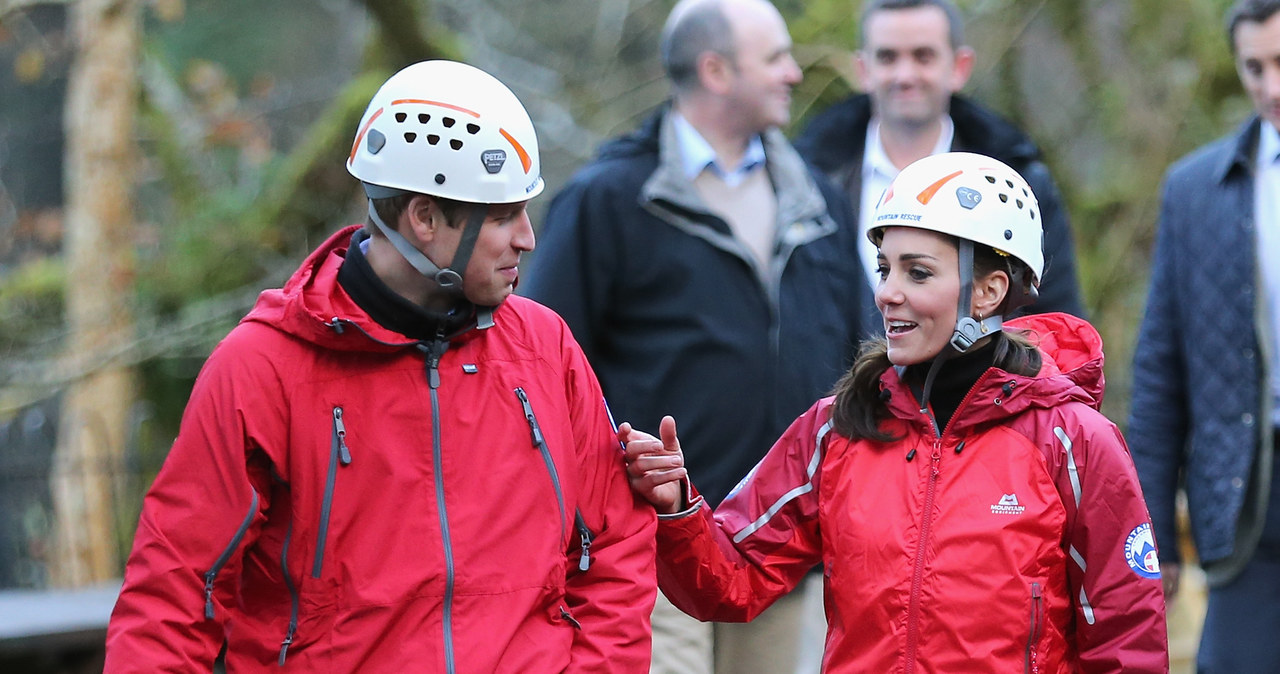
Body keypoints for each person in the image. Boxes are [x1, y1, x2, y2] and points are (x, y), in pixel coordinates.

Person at [103, 60, 657, 673]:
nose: (528, 237)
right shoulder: (261, 367)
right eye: (502, 215)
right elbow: (174, 593)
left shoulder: (544, 345)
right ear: (422, 217)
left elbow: (615, 546)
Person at [623, 152, 1169, 672]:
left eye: (918, 273)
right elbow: (730, 582)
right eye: (885, 269)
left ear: (989, 291)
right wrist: (677, 509)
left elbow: (1128, 640)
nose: (888, 293)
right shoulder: (837, 428)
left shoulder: (1072, 440)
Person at [520, 0, 869, 670]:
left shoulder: (818, 201)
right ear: (715, 70)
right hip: (646, 551)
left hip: (779, 552)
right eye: (775, 58)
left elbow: (858, 358)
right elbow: (542, 368)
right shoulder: (608, 199)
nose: (795, 73)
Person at [1127, 1, 1280, 671]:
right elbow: (1161, 373)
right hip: (1245, 501)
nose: (1271, 87)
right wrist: (1151, 536)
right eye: (1255, 67)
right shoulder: (1194, 190)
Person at [794, 0, 1084, 336]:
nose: (905, 75)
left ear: (959, 66)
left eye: (923, 56)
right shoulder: (807, 184)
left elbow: (1054, 327)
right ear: (863, 69)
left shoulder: (1017, 186)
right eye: (888, 57)